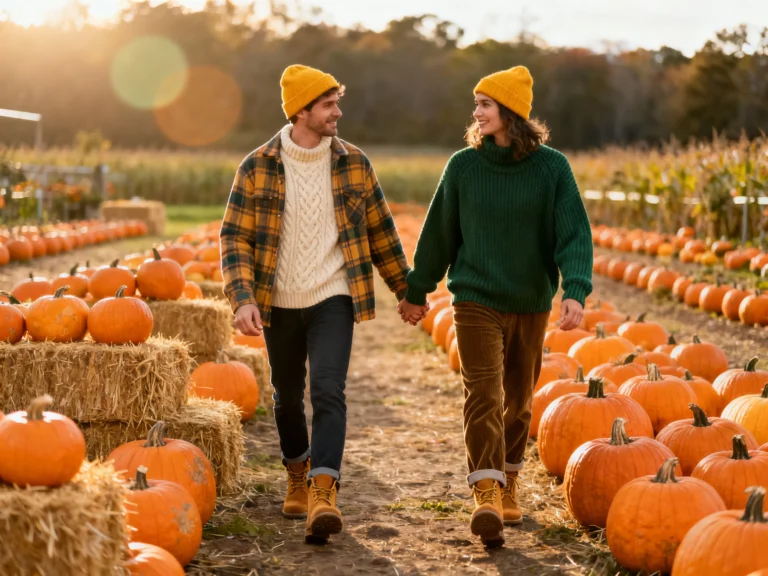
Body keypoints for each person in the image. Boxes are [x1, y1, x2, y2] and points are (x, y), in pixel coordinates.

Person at [220, 64, 429, 543]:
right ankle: (297, 472)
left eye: (337, 103)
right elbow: (234, 238)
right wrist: (243, 298)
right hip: (277, 300)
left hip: (333, 295)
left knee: (329, 389)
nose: (338, 112)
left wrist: (407, 291)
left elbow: (381, 232)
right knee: (287, 396)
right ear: (302, 111)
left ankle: (323, 491)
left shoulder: (355, 163)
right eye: (329, 105)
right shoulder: (257, 166)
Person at [399, 66, 593, 546]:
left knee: (520, 401)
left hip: (529, 300)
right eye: (477, 104)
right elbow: (439, 233)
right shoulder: (463, 166)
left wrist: (575, 288)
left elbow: (573, 232)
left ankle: (509, 480)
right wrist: (417, 289)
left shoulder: (552, 169)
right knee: (484, 393)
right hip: (475, 298)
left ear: (511, 112)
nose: (477, 112)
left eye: (485, 104)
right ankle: (485, 491)